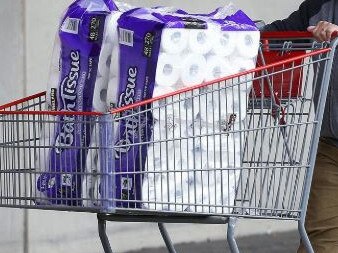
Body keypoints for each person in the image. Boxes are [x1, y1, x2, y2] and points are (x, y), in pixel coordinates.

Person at [263, 0, 338, 252]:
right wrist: (230, 32)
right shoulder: (320, 7)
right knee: (318, 243)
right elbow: (276, 35)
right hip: (332, 149)